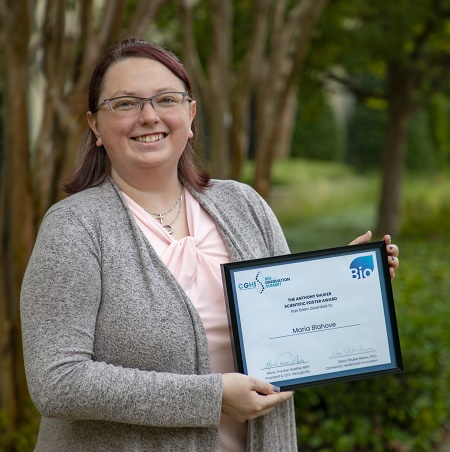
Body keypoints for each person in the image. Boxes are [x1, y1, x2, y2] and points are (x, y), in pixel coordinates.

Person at [20, 38, 399, 452]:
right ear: (95, 125)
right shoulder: (74, 228)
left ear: (190, 114)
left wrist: (343, 287)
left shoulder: (243, 204)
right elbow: (58, 381)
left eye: (166, 99)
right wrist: (212, 397)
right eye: (125, 104)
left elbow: (289, 334)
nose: (149, 116)